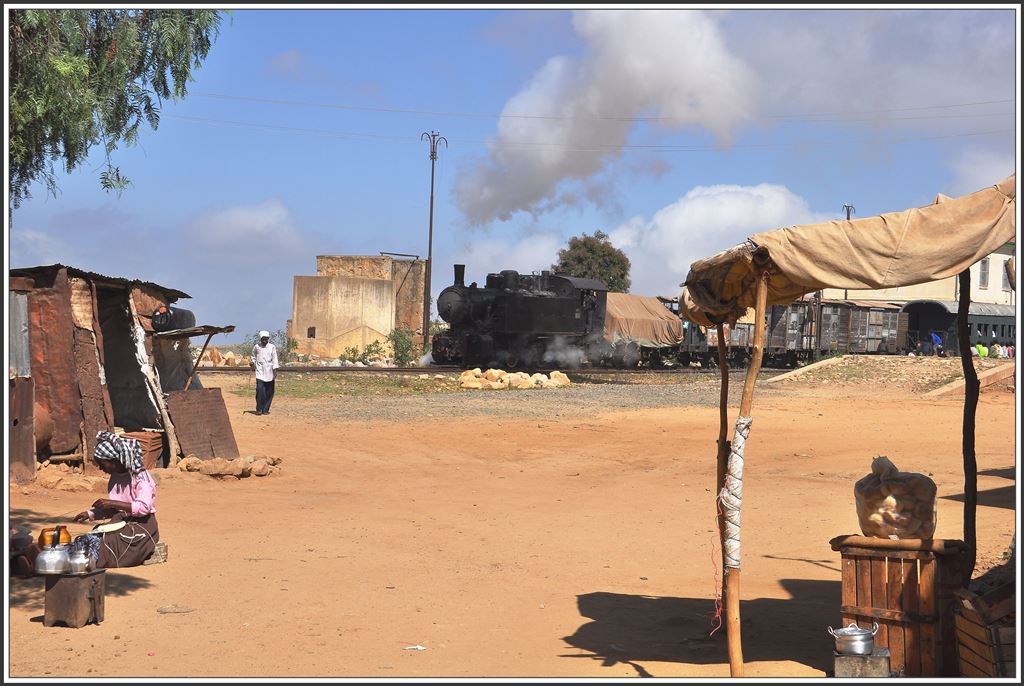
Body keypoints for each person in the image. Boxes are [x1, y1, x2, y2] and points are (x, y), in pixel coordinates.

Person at [71, 431, 160, 569]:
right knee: (91, 537)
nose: (101, 468)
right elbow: (116, 511)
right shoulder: (115, 478)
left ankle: (86, 563)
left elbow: (143, 508)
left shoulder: (141, 478)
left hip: (141, 526)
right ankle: (72, 558)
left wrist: (110, 503)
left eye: (103, 464)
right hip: (121, 522)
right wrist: (91, 514)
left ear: (116, 461)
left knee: (109, 542)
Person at [250, 330, 280, 415]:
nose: (265, 341)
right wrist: (252, 362)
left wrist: (275, 370)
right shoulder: (256, 347)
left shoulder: (272, 347)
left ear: (268, 339)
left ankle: (265, 409)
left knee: (269, 392)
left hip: (270, 371)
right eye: (263, 339)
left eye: (266, 339)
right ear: (260, 339)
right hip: (260, 371)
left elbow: (275, 358)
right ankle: (259, 409)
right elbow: (253, 356)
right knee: (260, 391)